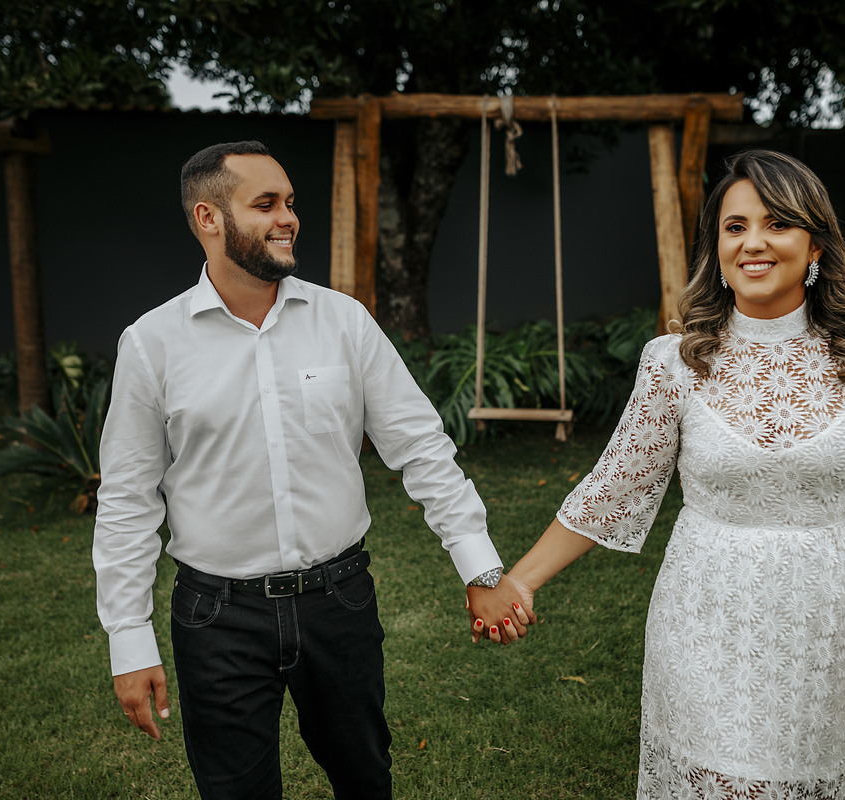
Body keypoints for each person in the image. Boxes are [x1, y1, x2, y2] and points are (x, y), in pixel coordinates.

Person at [469, 149, 845, 798]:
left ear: (816, 249)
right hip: (703, 621)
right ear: (715, 249)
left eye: (778, 224)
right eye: (735, 226)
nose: (754, 242)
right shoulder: (675, 361)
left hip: (826, 625)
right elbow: (616, 487)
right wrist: (518, 582)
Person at [92, 140, 530, 800]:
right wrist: (129, 640)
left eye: (290, 203)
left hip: (340, 601)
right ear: (209, 218)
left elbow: (419, 447)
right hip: (218, 618)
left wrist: (482, 568)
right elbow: (128, 499)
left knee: (364, 780)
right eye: (264, 204)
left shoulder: (343, 322)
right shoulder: (152, 344)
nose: (288, 217)